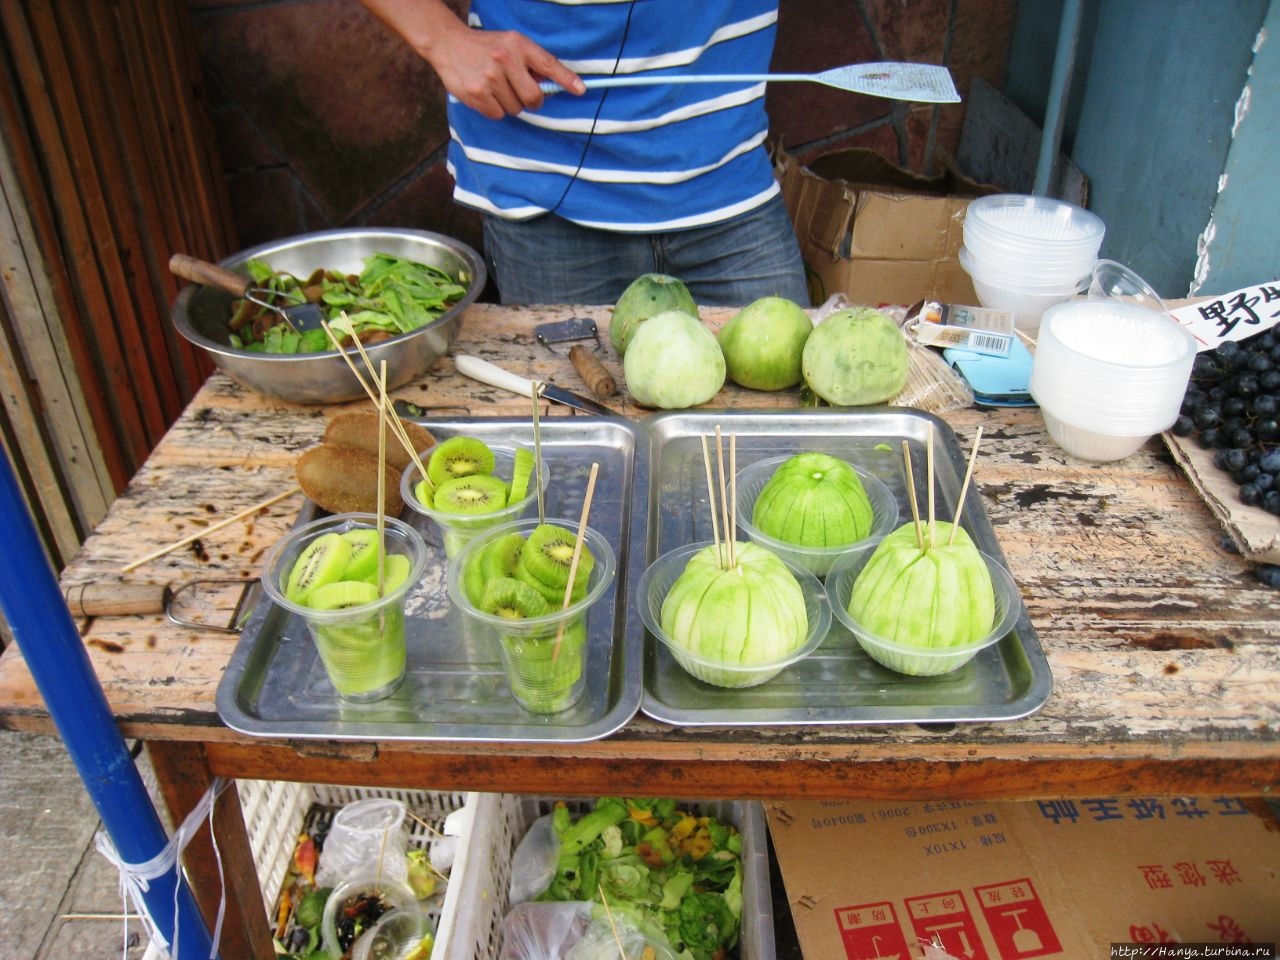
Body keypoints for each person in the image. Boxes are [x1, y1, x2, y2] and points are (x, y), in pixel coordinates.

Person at [361, 0, 809, 307]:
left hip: (731, 186)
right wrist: (443, 39)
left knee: (786, 431)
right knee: (570, 440)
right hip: (545, 200)